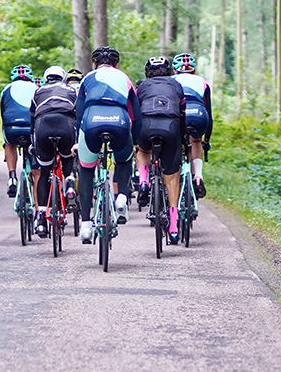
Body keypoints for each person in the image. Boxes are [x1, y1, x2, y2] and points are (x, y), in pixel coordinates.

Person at [75, 46, 141, 243]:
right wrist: (134, 142)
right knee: (124, 160)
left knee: (86, 170)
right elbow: (136, 116)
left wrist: (80, 138)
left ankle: (86, 226)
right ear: (116, 65)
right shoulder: (124, 78)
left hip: (91, 122)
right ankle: (121, 197)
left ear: (95, 64)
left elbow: (78, 113)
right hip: (118, 121)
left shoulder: (87, 78)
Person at [134, 56, 187, 244]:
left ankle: (143, 182)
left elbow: (134, 112)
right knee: (172, 177)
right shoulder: (176, 85)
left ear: (147, 73)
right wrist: (183, 140)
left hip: (146, 125)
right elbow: (182, 114)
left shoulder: (141, 87)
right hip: (170, 126)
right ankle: (173, 227)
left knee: (142, 150)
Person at [29, 65, 79, 238]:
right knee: (67, 158)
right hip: (65, 124)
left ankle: (41, 219)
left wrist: (32, 143)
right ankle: (70, 184)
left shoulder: (38, 91)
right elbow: (78, 114)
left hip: (43, 126)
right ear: (63, 77)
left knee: (44, 172)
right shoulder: (71, 90)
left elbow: (32, 118)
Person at [172, 53, 211, 199]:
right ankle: (198, 177)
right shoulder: (202, 81)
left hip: (177, 114)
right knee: (196, 141)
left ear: (175, 70)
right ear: (193, 70)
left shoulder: (171, 80)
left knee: (173, 141)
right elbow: (209, 113)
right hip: (198, 114)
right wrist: (206, 139)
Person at [0, 64, 38, 197]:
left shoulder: (6, 89)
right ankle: (38, 204)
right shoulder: (36, 88)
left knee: (8, 143)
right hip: (31, 129)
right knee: (37, 169)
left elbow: (2, 112)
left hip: (12, 129)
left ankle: (11, 176)